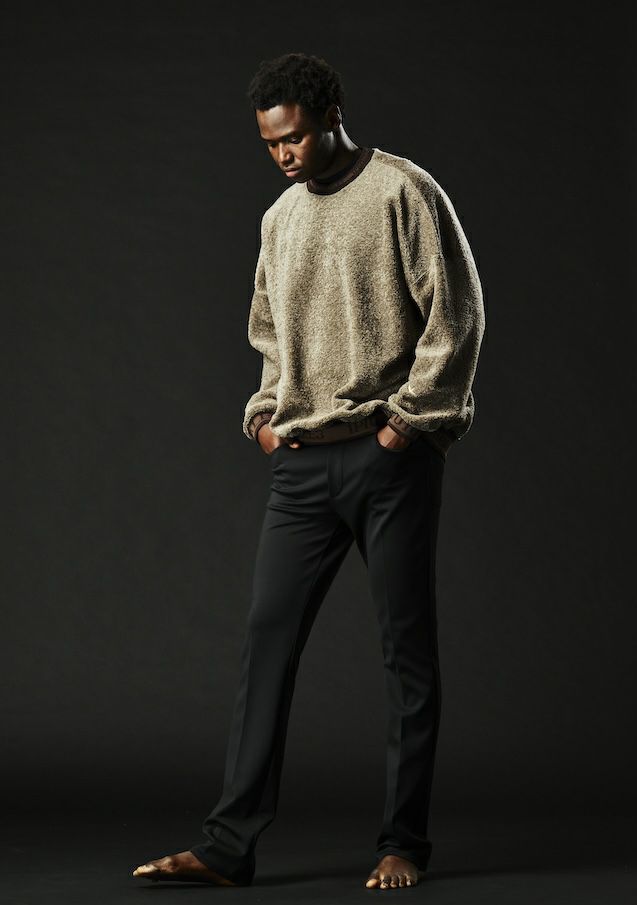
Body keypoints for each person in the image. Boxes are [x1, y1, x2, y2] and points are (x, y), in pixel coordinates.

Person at [133, 51, 485, 891]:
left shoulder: (404, 191)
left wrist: (406, 427)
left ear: (331, 117)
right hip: (300, 467)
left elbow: (458, 318)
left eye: (292, 137)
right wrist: (264, 416)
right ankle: (228, 846)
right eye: (269, 144)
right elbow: (267, 329)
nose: (283, 155)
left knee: (406, 651)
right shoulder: (280, 216)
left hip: (388, 458)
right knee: (268, 643)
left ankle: (403, 842)